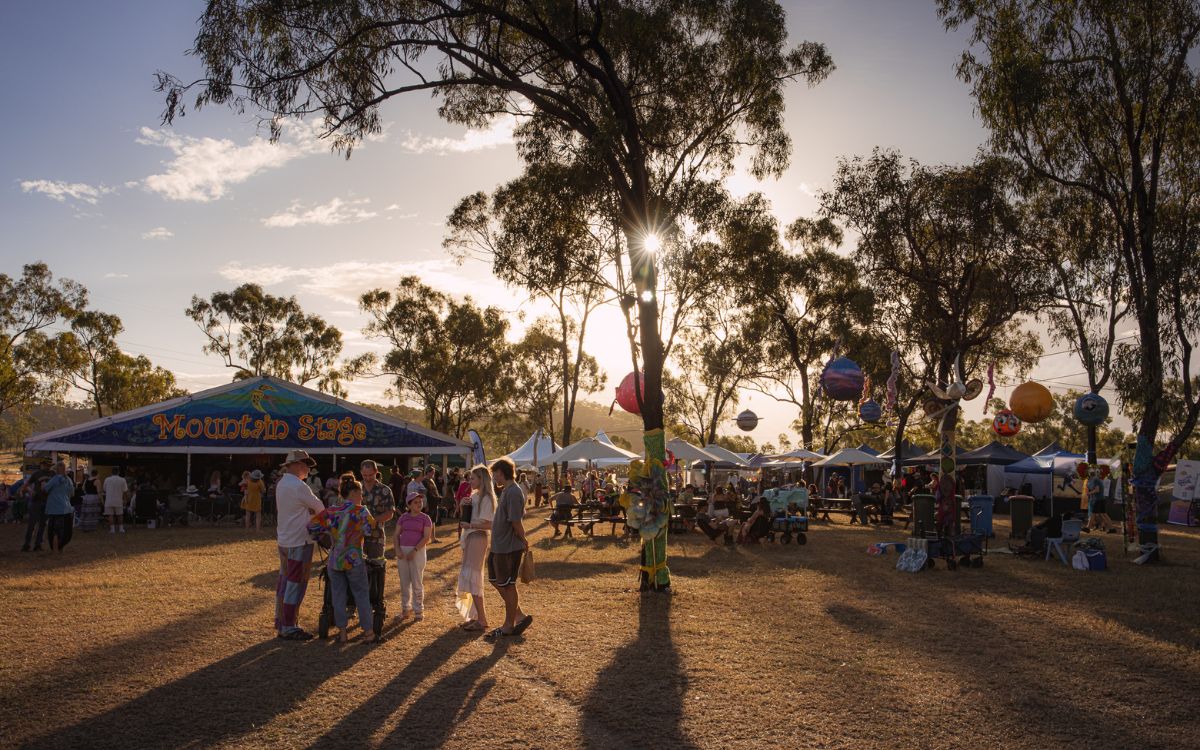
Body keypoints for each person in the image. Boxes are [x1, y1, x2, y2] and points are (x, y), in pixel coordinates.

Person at [308, 473, 378, 643]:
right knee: (361, 595)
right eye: (360, 493)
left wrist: (325, 536)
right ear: (354, 492)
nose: (362, 497)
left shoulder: (331, 511)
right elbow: (370, 530)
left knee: (338, 596)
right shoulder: (361, 511)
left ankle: (342, 633)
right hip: (354, 559)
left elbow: (312, 526)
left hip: (335, 559)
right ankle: (368, 632)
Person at [274, 450, 324, 641]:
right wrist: (310, 511)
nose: (307, 469)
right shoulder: (299, 486)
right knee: (296, 584)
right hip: (300, 540)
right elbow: (319, 507)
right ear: (297, 465)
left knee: (284, 581)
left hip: (285, 539)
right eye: (305, 465)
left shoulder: (282, 484)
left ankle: (281, 622)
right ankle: (289, 625)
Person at [485, 458, 533, 640]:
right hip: (499, 546)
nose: (494, 478)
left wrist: (523, 539)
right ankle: (518, 615)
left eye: (495, 474)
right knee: (495, 580)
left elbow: (515, 521)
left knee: (508, 584)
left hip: (508, 547)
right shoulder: (506, 490)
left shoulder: (514, 492)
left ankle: (508, 625)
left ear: (501, 473)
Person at [457, 464, 496, 632]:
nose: (470, 481)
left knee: (473, 578)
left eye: (473, 478)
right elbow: (465, 518)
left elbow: (490, 524)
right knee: (469, 577)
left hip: (478, 538)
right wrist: (462, 505)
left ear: (481, 479)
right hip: (470, 537)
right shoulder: (474, 496)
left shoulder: (486, 498)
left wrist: (471, 525)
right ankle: (475, 616)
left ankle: (482, 619)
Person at [395, 491, 433, 621]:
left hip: (418, 551)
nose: (419, 504)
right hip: (402, 552)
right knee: (404, 582)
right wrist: (398, 550)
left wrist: (414, 550)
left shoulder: (425, 518)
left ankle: (418, 610)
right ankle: (405, 609)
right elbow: (396, 535)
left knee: (417, 581)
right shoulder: (403, 517)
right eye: (415, 502)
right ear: (409, 505)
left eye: (420, 502)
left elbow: (426, 537)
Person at [360, 459, 396, 553]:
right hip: (356, 539)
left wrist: (372, 520)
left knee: (376, 561)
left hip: (377, 538)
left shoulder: (385, 490)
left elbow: (390, 513)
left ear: (376, 471)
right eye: (365, 475)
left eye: (370, 475)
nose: (368, 478)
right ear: (361, 472)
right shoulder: (355, 489)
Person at [44, 462, 75, 552]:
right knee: (65, 530)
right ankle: (61, 548)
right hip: (66, 508)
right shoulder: (68, 480)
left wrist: (43, 485)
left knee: (54, 531)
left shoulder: (54, 479)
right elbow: (72, 493)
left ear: (56, 470)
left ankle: (55, 550)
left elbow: (45, 489)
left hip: (54, 509)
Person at [21, 461, 52, 551]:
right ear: (41, 465)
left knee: (42, 524)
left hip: (47, 502)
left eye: (49, 465)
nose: (47, 466)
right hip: (36, 501)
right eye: (46, 464)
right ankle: (27, 544)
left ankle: (38, 545)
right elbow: (26, 485)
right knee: (32, 524)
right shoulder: (36, 474)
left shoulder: (53, 474)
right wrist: (31, 491)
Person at [1084, 467, 1117, 534]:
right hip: (1101, 499)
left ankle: (1088, 528)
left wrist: (1089, 493)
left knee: (1093, 513)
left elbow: (1097, 490)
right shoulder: (1096, 479)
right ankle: (1112, 528)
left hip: (1098, 499)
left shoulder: (1095, 480)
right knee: (1104, 514)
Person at [102, 467, 129, 535]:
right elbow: (125, 491)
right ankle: (121, 528)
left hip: (109, 500)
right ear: (118, 472)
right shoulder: (122, 480)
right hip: (119, 499)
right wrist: (125, 499)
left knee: (110, 515)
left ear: (111, 472)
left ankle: (112, 529)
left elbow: (104, 489)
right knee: (120, 514)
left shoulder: (107, 479)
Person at [423, 465, 444, 542]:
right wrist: (426, 505)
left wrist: (438, 497)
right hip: (429, 503)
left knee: (433, 521)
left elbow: (435, 491)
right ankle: (425, 538)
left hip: (434, 503)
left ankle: (433, 538)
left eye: (434, 472)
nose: (433, 474)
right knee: (427, 521)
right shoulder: (424, 481)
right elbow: (425, 494)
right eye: (432, 472)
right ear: (427, 472)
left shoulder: (431, 480)